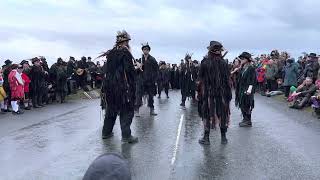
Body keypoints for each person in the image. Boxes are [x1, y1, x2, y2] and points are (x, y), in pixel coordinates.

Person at [101, 30, 138, 143]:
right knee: (126, 110)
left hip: (110, 87)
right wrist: (136, 69)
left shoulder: (111, 53)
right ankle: (126, 136)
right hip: (122, 88)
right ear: (125, 42)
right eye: (127, 41)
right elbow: (128, 70)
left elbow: (107, 69)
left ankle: (106, 133)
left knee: (111, 109)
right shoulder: (125, 52)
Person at [197, 41, 232, 145]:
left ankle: (206, 138)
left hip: (209, 93)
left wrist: (198, 92)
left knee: (207, 113)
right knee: (222, 113)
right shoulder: (224, 63)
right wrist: (228, 94)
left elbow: (200, 79)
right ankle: (223, 138)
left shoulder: (205, 62)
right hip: (222, 93)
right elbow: (228, 80)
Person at [235, 52, 256, 127]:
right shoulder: (242, 68)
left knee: (247, 104)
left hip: (247, 89)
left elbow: (252, 80)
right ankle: (245, 119)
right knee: (242, 104)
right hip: (241, 89)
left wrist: (249, 90)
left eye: (243, 58)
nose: (242, 59)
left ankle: (248, 120)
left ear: (247, 59)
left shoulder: (251, 68)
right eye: (241, 58)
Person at [140, 42, 159, 116]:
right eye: (144, 49)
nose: (145, 51)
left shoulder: (152, 59)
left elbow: (157, 70)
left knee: (151, 96)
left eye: (147, 50)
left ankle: (152, 110)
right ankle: (138, 110)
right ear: (142, 50)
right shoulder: (140, 59)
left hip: (150, 81)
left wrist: (155, 79)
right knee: (140, 95)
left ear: (149, 51)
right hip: (142, 81)